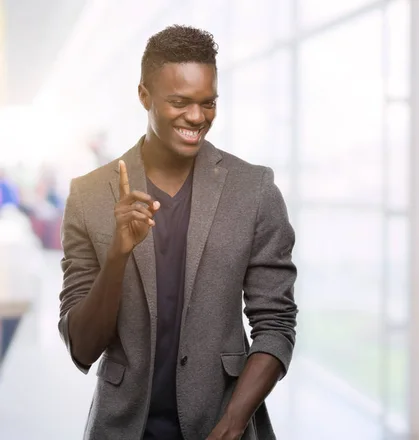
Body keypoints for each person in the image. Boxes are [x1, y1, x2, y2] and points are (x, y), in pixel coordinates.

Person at [58, 25, 298, 440]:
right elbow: (82, 347)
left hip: (222, 423)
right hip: (121, 428)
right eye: (179, 102)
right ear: (144, 96)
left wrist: (233, 422)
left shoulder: (254, 189)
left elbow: (276, 324)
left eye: (208, 103)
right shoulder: (89, 195)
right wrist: (118, 253)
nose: (197, 117)